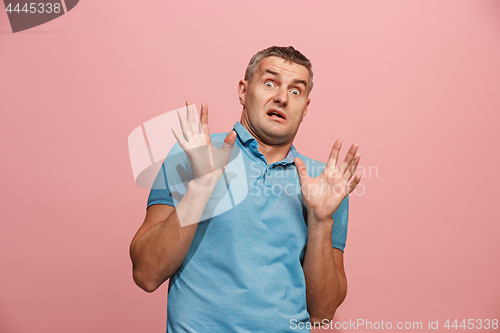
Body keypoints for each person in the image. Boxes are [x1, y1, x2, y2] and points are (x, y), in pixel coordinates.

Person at [130, 46, 362, 332]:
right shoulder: (194, 154)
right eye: (269, 83)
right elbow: (146, 274)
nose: (281, 98)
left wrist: (320, 221)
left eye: (295, 91)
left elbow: (323, 313)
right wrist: (201, 185)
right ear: (243, 90)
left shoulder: (323, 182)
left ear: (305, 108)